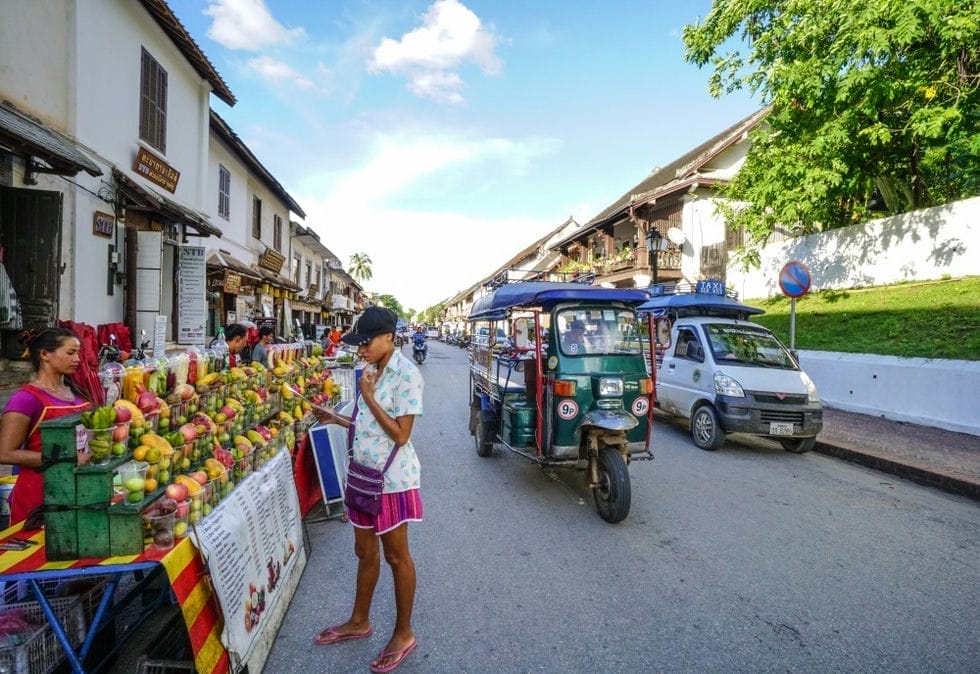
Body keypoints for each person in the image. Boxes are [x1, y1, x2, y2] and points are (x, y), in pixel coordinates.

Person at [311, 307, 424, 673]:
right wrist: (336, 418)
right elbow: (366, 425)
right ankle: (359, 621)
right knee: (364, 551)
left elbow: (401, 434)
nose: (360, 350)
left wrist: (370, 396)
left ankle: (404, 633)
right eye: (358, 344)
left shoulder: (407, 375)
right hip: (361, 475)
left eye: (365, 343)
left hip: (391, 481)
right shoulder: (371, 370)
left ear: (388, 337)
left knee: (396, 556)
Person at [0, 328, 91, 527]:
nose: (77, 359)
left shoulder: (74, 392)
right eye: (70, 353)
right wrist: (67, 459)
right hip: (39, 497)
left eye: (78, 353)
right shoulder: (25, 399)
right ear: (45, 354)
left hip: (76, 492)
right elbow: (5, 454)